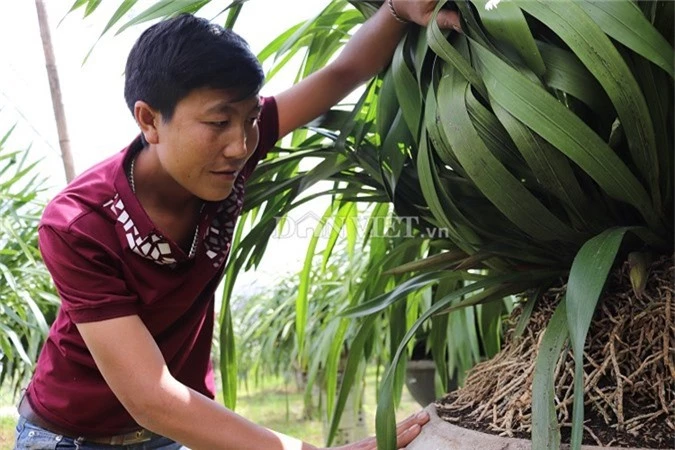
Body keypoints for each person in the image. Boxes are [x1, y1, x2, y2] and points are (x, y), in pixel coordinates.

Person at [14, 1, 460, 449]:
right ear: (149, 120)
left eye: (249, 119)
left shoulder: (224, 155)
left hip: (173, 431)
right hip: (72, 437)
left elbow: (340, 74)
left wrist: (399, 10)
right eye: (219, 122)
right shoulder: (79, 225)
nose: (241, 145)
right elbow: (150, 396)